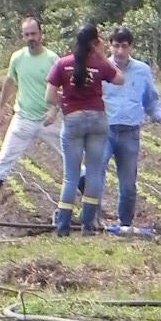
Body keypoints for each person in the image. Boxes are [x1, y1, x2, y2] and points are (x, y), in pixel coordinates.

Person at [45, 22, 124, 237]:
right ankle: (88, 225)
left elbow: (49, 96)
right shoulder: (99, 63)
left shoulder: (63, 64)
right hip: (98, 119)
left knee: (71, 176)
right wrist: (101, 55)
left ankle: (63, 226)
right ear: (95, 42)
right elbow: (120, 79)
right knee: (94, 172)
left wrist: (65, 102)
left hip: (73, 119)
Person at [0, 16, 60, 211]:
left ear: (41, 34)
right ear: (22, 36)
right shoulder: (17, 57)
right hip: (23, 117)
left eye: (34, 34)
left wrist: (54, 110)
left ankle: (91, 201)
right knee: (6, 156)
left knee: (68, 155)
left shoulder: (53, 59)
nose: (31, 38)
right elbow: (10, 82)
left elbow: (62, 88)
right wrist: (0, 108)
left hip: (48, 119)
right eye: (27, 34)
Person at [102, 25, 161, 234]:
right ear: (110, 46)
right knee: (95, 174)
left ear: (130, 47)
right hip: (105, 129)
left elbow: (151, 99)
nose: (119, 51)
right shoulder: (102, 67)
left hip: (130, 132)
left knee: (129, 183)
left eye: (124, 46)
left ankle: (125, 224)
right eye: (116, 46)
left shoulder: (142, 70)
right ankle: (90, 220)